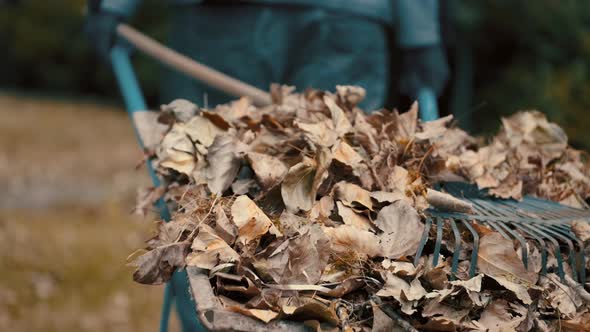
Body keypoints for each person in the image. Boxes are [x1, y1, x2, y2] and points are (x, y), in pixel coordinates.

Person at [86, 0, 449, 330]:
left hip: (310, 27)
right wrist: (420, 32)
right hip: (319, 24)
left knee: (211, 209)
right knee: (212, 211)